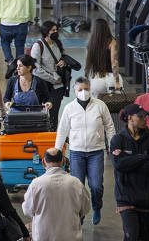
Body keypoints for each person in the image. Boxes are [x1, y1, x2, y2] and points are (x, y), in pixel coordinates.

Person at [54, 77, 115, 225]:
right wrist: (57, 151)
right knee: (77, 186)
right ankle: (79, 213)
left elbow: (110, 126)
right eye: (80, 90)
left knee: (96, 185)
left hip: (96, 152)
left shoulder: (100, 105)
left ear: (90, 89)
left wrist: (112, 146)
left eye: (86, 89)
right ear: (75, 91)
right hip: (77, 152)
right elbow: (62, 131)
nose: (83, 92)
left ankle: (96, 207)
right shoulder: (69, 108)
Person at [22, 148, 90, 241]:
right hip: (71, 237)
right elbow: (85, 209)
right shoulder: (75, 183)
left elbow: (27, 210)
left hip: (43, 237)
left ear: (43, 162)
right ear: (63, 161)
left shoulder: (36, 184)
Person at [110, 103, 149, 240]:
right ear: (129, 118)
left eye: (145, 116)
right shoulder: (118, 140)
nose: (145, 119)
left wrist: (127, 157)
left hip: (147, 198)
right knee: (132, 236)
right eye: (140, 117)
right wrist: (143, 157)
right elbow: (119, 165)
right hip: (126, 198)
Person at [31, 21, 67, 130]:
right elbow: (36, 69)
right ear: (46, 32)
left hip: (57, 86)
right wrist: (52, 79)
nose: (56, 32)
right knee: (40, 113)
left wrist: (63, 62)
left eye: (56, 30)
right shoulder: (38, 46)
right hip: (43, 85)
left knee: (54, 113)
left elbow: (62, 58)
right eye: (53, 30)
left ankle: (53, 135)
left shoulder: (57, 44)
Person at [85, 18, 122, 95]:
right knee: (114, 105)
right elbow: (114, 63)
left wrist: (86, 80)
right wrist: (117, 81)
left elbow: (88, 64)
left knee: (99, 105)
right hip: (111, 78)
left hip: (97, 81)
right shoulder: (112, 42)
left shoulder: (91, 43)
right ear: (107, 28)